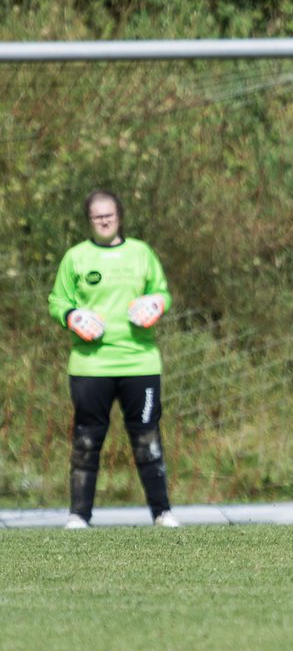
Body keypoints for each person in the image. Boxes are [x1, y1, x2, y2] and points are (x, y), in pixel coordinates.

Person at [48, 190, 180, 529]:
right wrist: (72, 316)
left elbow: (162, 291)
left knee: (147, 438)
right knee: (87, 439)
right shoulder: (76, 257)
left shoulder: (141, 253)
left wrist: (156, 304)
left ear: (119, 216)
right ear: (89, 220)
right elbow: (57, 301)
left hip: (140, 363)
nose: (104, 220)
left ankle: (162, 513)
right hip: (91, 365)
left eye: (109, 215)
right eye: (97, 216)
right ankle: (79, 516)